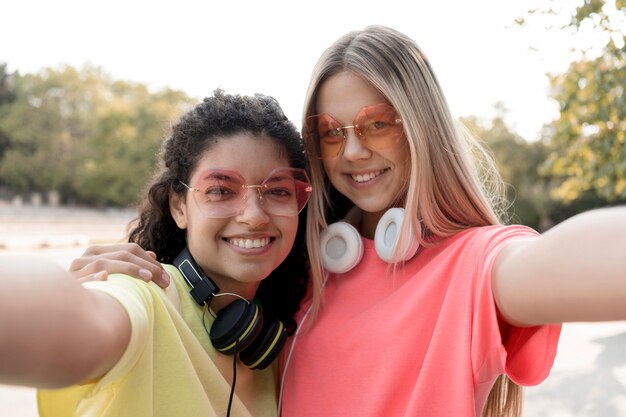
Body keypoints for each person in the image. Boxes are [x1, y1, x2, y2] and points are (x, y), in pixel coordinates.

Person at [71, 26, 626, 417]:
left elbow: (566, 261)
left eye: (376, 124)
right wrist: (126, 273)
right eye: (331, 131)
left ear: (420, 126)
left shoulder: (473, 266)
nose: (353, 151)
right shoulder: (301, 271)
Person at [1, 90, 312, 417]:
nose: (254, 216)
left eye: (277, 191)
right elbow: (72, 324)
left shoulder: (274, 340)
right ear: (179, 207)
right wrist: (64, 299)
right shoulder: (146, 296)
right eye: (220, 190)